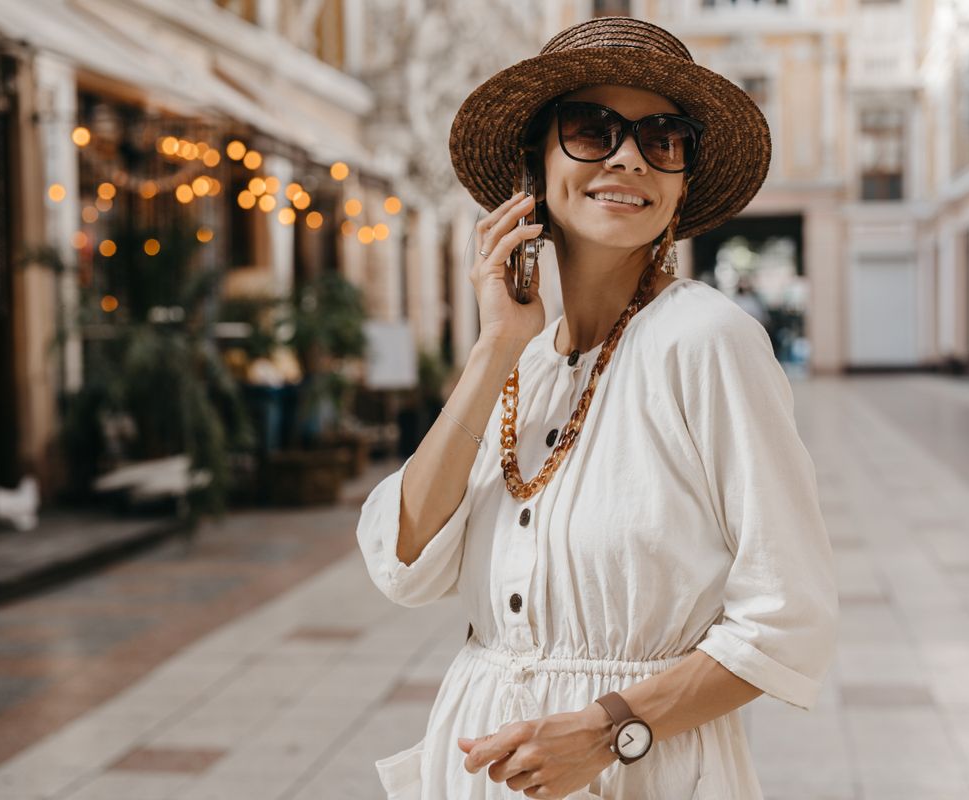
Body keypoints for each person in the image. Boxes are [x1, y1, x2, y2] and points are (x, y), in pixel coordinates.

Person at [355, 16, 838, 800]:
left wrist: (608, 726)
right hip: (483, 771)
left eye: (663, 138)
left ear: (681, 182)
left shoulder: (707, 341)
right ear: (533, 167)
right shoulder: (525, 363)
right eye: (591, 128)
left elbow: (789, 616)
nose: (627, 157)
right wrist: (491, 353)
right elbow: (402, 562)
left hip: (638, 773)